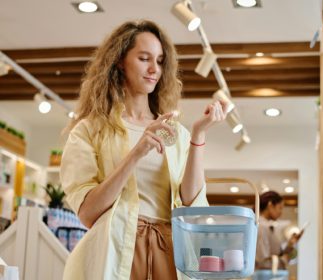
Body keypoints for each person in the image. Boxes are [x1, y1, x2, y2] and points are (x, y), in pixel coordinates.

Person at [60, 20, 229, 280]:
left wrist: (198, 135)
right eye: (144, 58)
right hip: (116, 250)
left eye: (160, 61)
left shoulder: (177, 133)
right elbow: (87, 212)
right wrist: (136, 153)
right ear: (119, 61)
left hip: (170, 251)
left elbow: (190, 205)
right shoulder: (90, 130)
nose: (154, 69)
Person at [255, 191, 303, 270]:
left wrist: (290, 244)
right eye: (280, 208)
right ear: (270, 205)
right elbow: (263, 262)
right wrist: (284, 260)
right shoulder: (261, 227)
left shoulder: (267, 226)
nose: (281, 212)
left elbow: (276, 254)